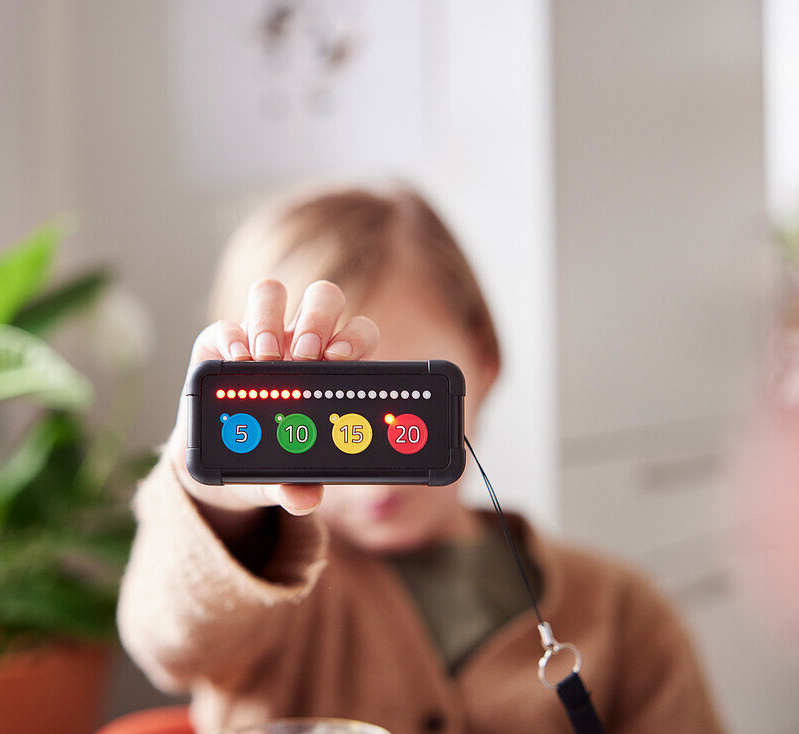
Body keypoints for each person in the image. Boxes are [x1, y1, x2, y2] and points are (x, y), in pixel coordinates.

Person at [117, 184, 723, 733]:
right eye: (323, 421)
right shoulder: (261, 603)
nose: (375, 468)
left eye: (402, 410)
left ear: (484, 363)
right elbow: (167, 636)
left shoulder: (623, 616)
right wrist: (217, 489)